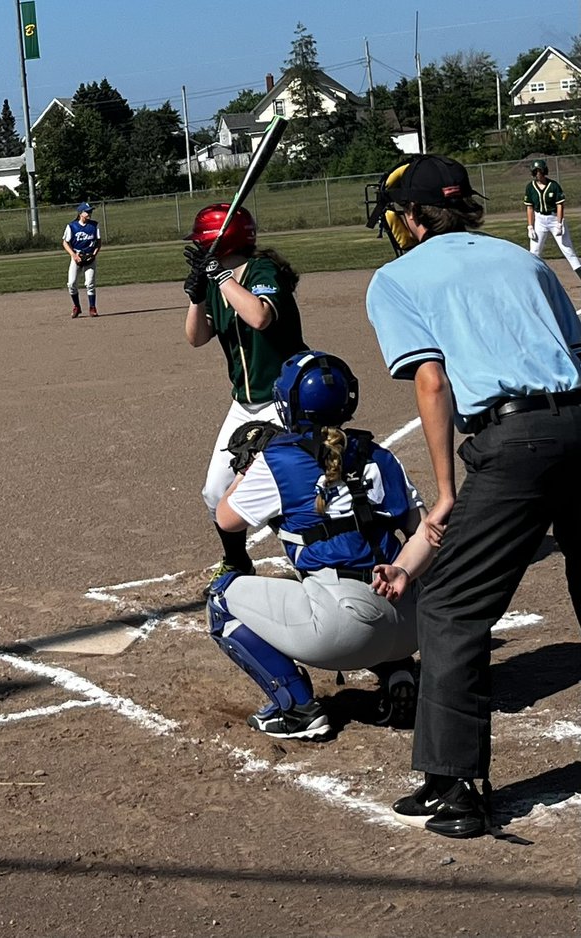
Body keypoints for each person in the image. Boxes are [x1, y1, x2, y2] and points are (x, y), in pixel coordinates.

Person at [365, 153, 581, 839]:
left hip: (516, 442)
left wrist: (445, 492)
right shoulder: (523, 260)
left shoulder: (397, 277)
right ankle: (438, 777)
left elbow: (432, 381)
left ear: (412, 217)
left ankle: (458, 787)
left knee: (452, 606)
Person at [207, 350, 433, 741]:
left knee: (221, 599)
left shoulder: (280, 460)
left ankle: (296, 708)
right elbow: (425, 532)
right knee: (378, 568)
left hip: (343, 628)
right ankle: (399, 672)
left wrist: (250, 467)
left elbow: (225, 517)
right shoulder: (380, 456)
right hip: (412, 622)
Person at [183, 203, 307, 583]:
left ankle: (313, 558)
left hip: (283, 400)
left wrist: (220, 277)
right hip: (244, 404)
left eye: (202, 241)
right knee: (215, 490)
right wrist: (196, 296)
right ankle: (237, 561)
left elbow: (259, 316)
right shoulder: (217, 282)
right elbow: (196, 338)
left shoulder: (262, 271)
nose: (199, 248)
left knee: (282, 488)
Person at [524, 158, 581, 281]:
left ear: (545, 171)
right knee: (534, 252)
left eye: (540, 171)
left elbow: (560, 205)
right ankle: (532, 280)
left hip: (554, 219)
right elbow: (530, 207)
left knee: (568, 250)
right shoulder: (530, 187)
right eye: (536, 171)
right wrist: (530, 226)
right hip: (539, 220)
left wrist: (559, 223)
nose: (538, 174)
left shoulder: (554, 186)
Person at [63, 202, 101, 317]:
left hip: (90, 256)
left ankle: (92, 307)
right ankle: (77, 307)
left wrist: (93, 255)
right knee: (71, 284)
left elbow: (98, 242)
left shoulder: (94, 225)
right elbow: (65, 242)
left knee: (90, 283)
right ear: (80, 213)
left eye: (90, 211)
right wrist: (74, 255)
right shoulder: (72, 226)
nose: (90, 213)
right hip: (77, 256)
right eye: (87, 211)